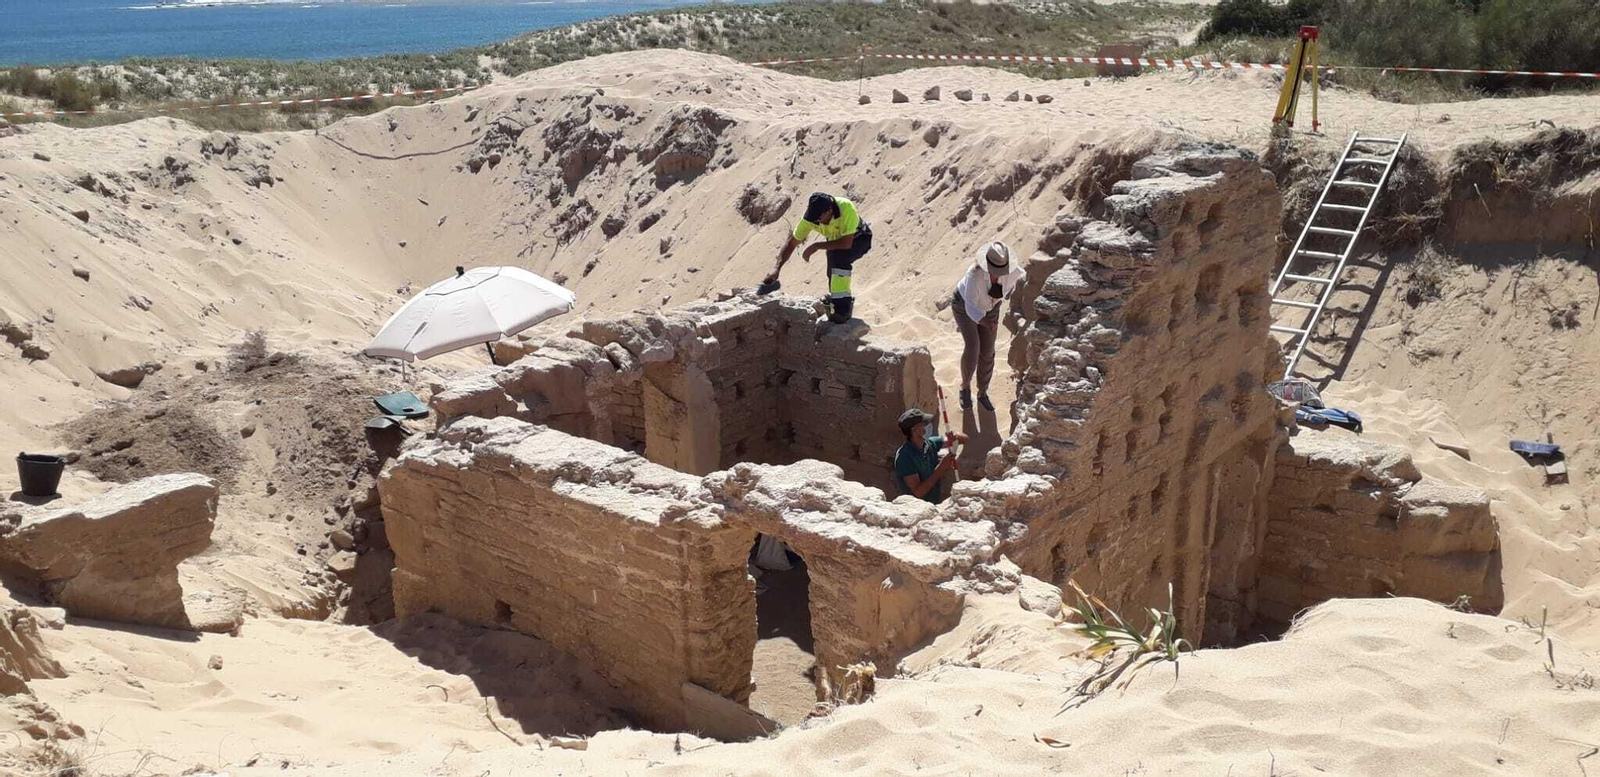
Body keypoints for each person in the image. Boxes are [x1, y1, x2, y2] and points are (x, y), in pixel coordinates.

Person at [761, 192, 873, 324]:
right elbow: (792, 243)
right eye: (812, 218)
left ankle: (843, 309)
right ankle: (840, 300)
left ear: (829, 211)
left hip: (859, 238)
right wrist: (777, 268)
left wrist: (816, 246)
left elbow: (846, 243)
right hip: (835, 240)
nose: (815, 222)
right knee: (832, 272)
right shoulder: (810, 218)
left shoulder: (846, 208)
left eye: (818, 218)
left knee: (839, 261)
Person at [952, 240, 1024, 412]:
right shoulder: (975, 274)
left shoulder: (1014, 271)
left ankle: (982, 392)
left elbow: (1027, 279)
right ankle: (965, 387)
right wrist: (985, 322)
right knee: (973, 346)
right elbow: (970, 306)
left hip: (991, 307)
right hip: (964, 306)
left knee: (988, 351)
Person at [893, 408, 968, 505]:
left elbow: (965, 439)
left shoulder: (930, 444)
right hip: (916, 508)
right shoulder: (904, 457)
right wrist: (941, 468)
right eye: (924, 424)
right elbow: (918, 492)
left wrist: (954, 436)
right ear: (914, 429)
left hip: (934, 504)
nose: (928, 425)